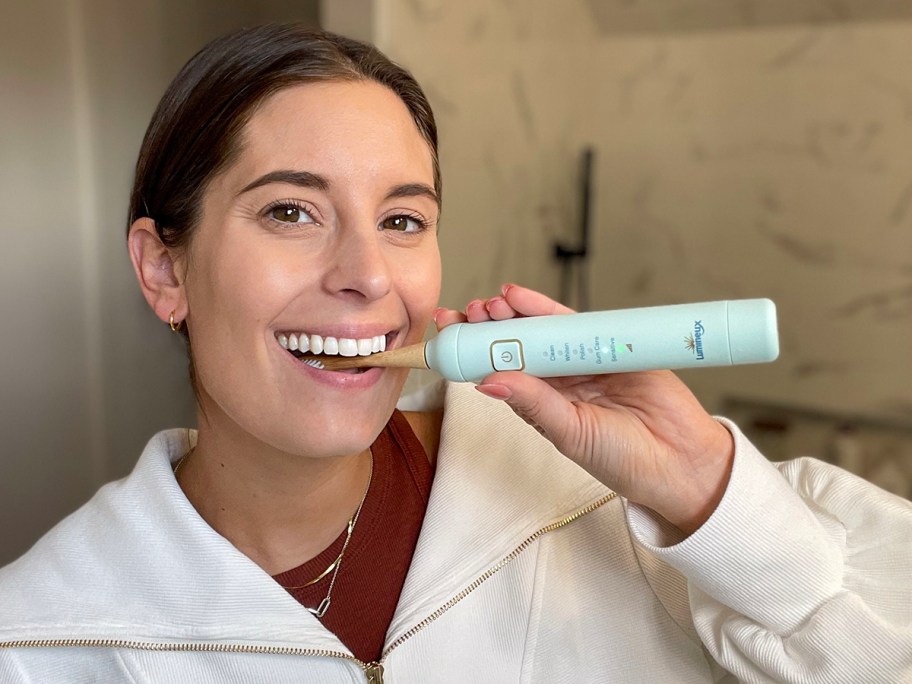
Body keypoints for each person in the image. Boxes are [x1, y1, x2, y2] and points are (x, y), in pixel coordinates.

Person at [0, 23, 910, 683]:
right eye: (290, 211)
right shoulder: (43, 639)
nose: (366, 274)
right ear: (165, 269)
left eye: (402, 221)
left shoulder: (607, 507)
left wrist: (710, 493)